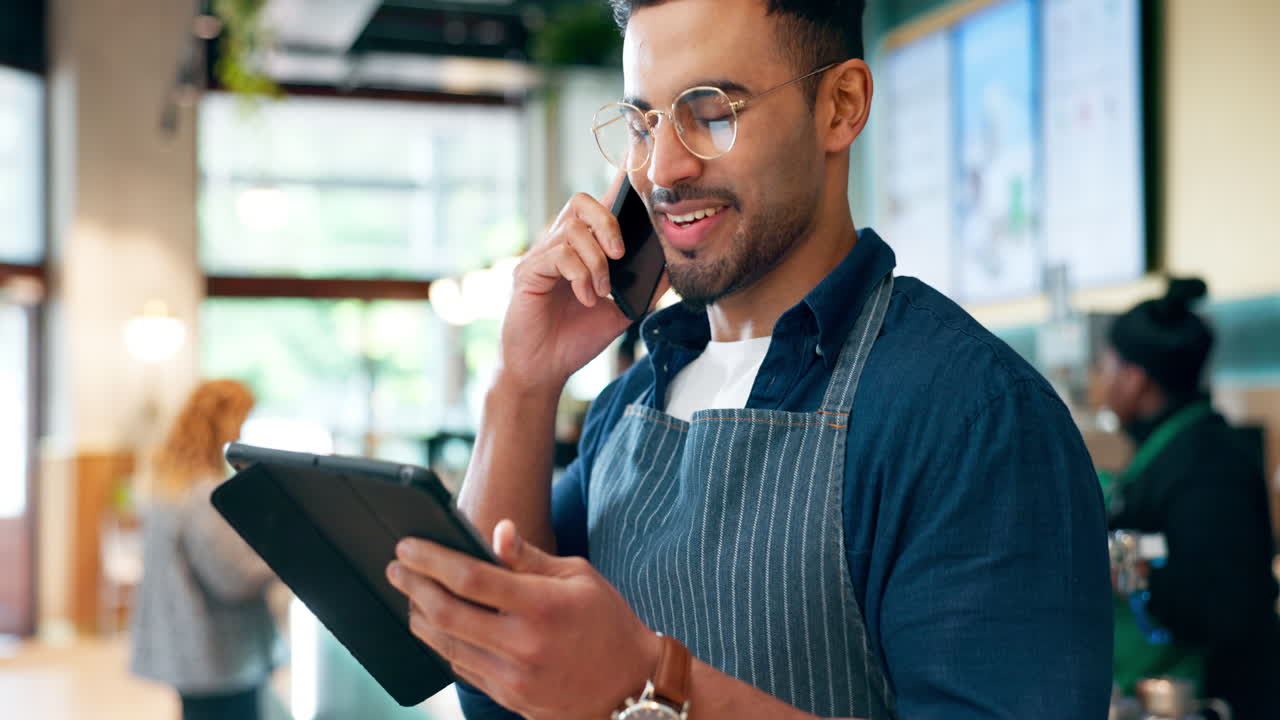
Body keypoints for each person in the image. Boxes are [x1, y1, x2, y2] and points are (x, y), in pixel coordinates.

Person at [385, 1, 1111, 718]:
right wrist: (523, 383)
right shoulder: (629, 406)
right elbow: (493, 686)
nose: (662, 170)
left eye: (711, 112)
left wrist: (649, 686)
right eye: (643, 125)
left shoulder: (973, 416)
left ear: (841, 106)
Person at [1098, 278, 1280, 720]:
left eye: (1106, 366)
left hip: (1215, 698)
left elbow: (1215, 599)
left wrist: (1127, 572)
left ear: (1134, 378)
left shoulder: (1207, 464)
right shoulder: (1172, 452)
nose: (1102, 380)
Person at [130, 379, 283, 720]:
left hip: (189, 647)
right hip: (220, 655)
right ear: (226, 423)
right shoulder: (205, 493)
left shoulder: (169, 484)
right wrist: (287, 555)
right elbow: (234, 579)